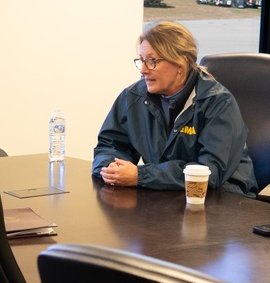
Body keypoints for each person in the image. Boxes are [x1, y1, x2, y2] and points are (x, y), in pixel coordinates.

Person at [93, 21, 258, 194]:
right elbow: (110, 144)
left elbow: (210, 171)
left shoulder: (218, 103)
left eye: (152, 61)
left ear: (180, 64)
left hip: (223, 199)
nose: (143, 70)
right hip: (167, 194)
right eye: (141, 61)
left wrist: (141, 175)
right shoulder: (134, 96)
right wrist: (111, 168)